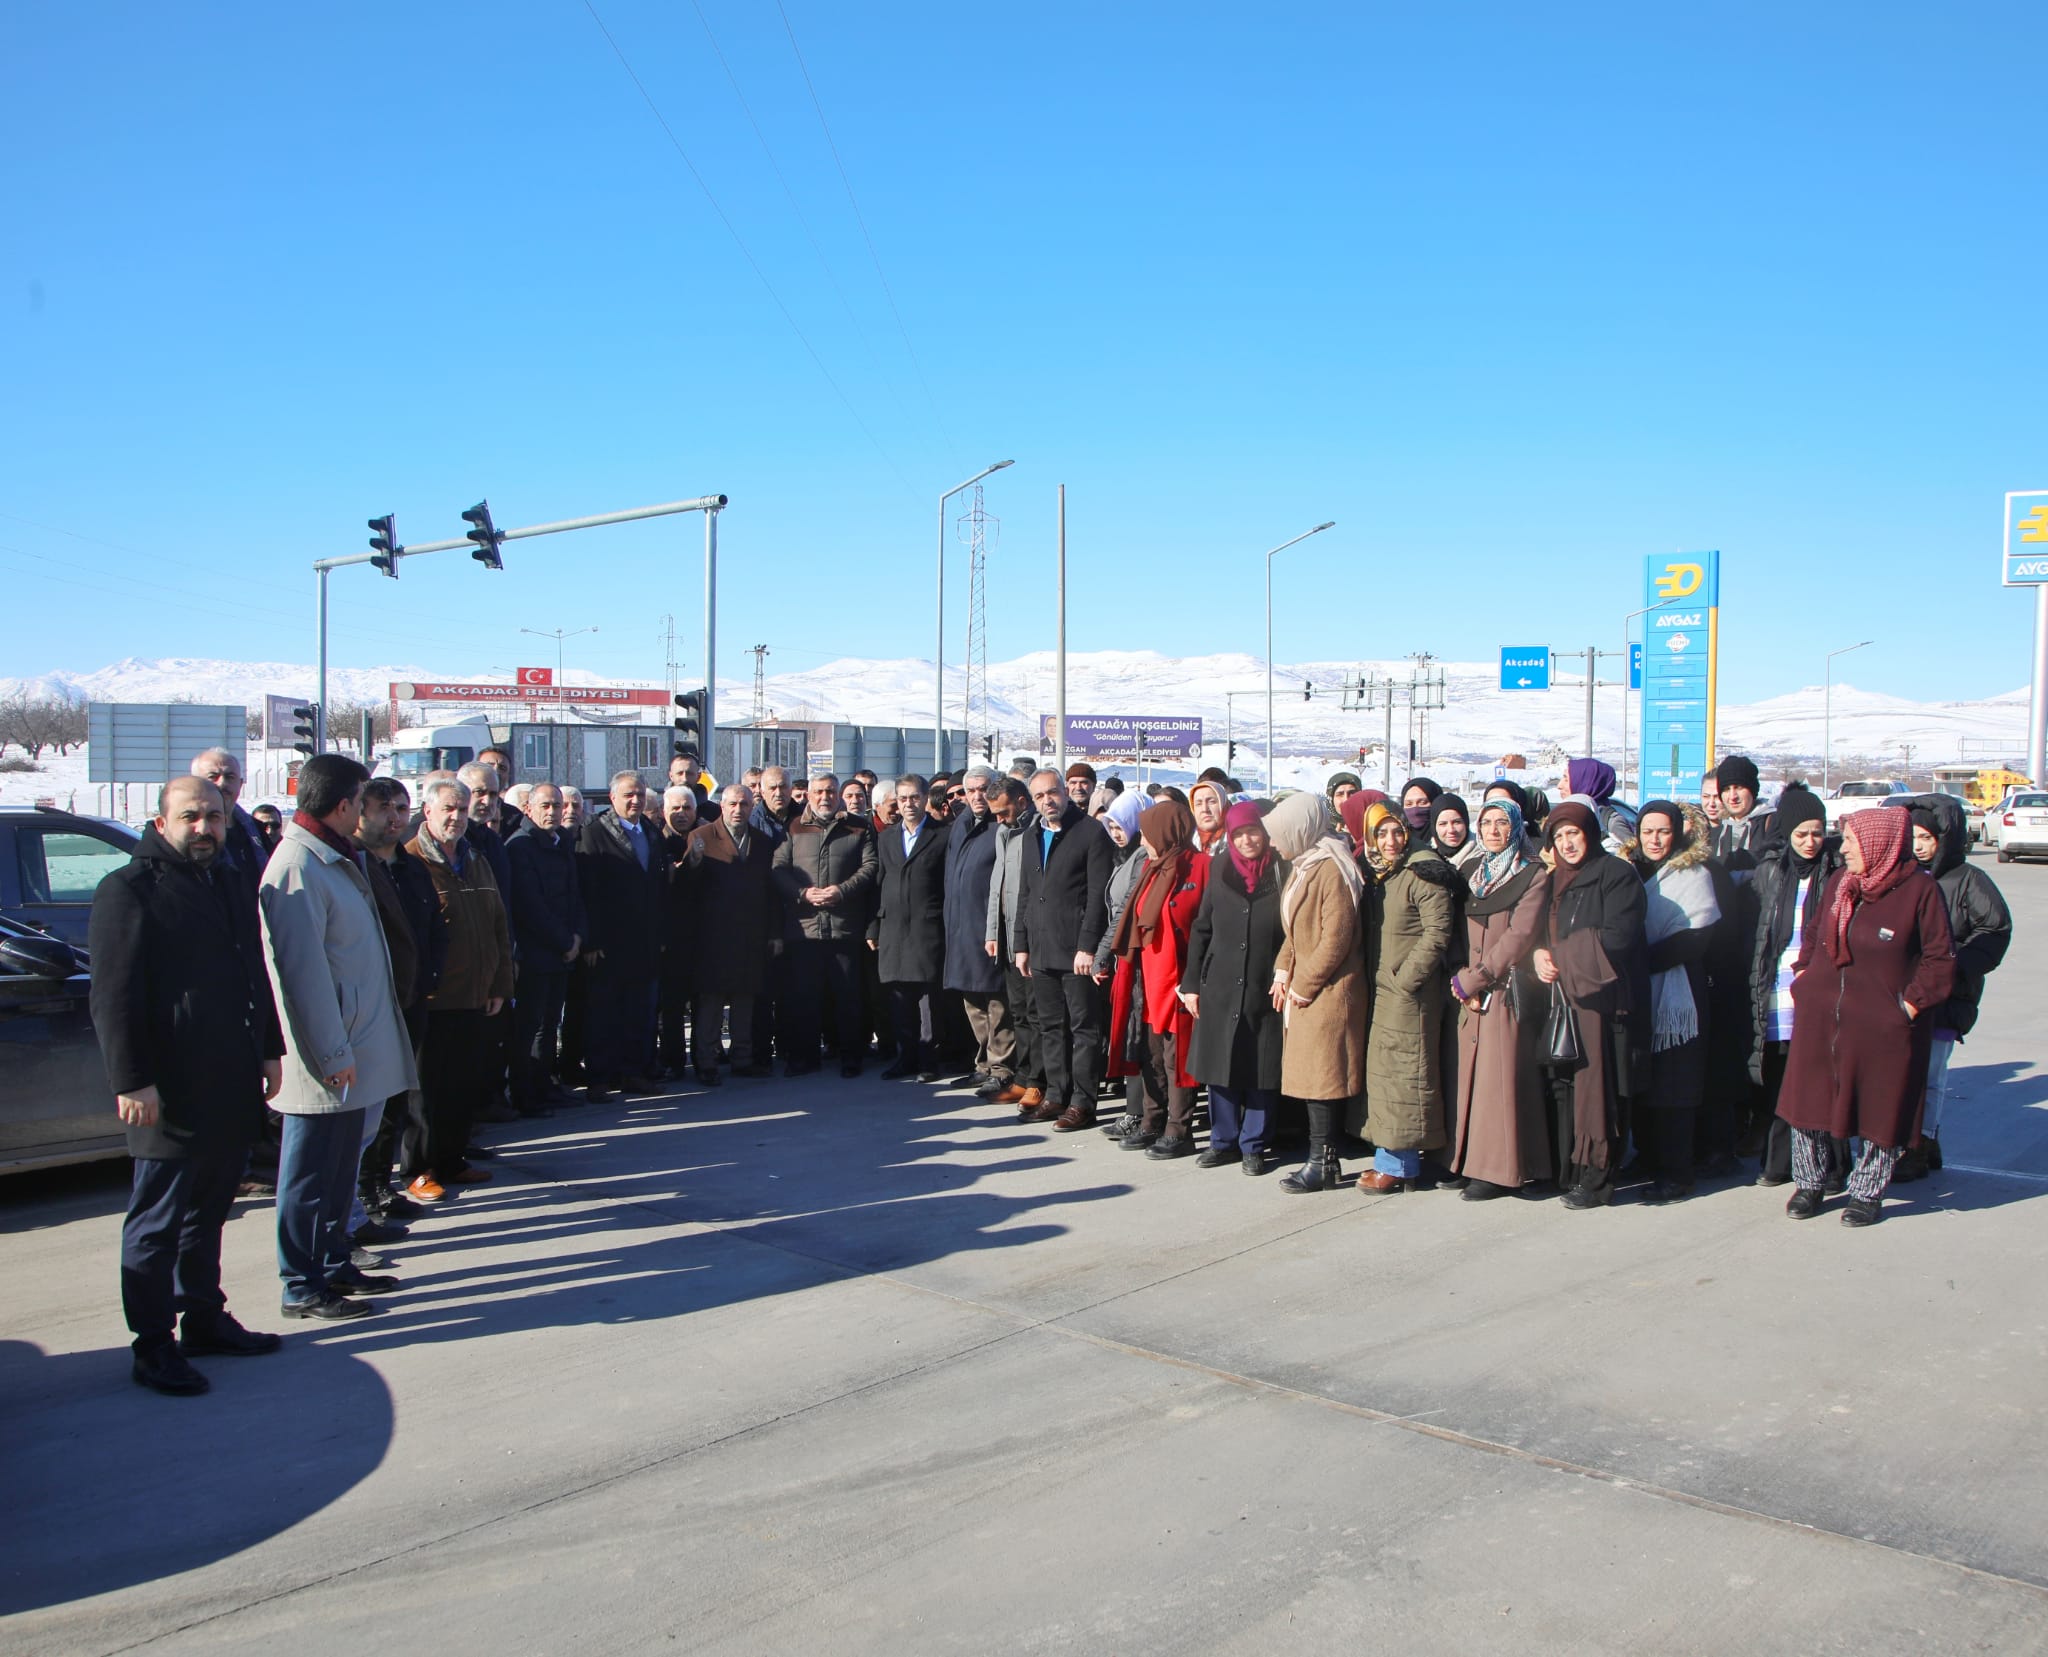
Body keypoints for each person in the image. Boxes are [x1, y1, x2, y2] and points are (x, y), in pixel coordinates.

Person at [91, 777, 287, 1394]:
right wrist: (133, 1080)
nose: (204, 827)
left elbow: (252, 971)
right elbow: (113, 998)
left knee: (209, 1214)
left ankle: (203, 1317)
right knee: (157, 1225)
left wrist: (270, 1049)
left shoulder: (226, 878)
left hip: (228, 1078)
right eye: (190, 817)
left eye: (214, 817)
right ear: (160, 821)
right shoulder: (127, 890)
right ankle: (153, 1346)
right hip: (168, 1091)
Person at [259, 754, 413, 1318]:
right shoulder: (298, 865)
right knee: (308, 1176)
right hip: (327, 1058)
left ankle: (332, 1261)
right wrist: (331, 1051)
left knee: (339, 1171)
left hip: (352, 1051)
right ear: (345, 804)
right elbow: (301, 976)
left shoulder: (334, 857)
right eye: (363, 803)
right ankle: (301, 1283)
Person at [1777, 809, 1955, 1225]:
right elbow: (1813, 931)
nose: (1844, 850)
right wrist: (1806, 973)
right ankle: (1809, 1183)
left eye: (1853, 842)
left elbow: (1939, 958)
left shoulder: (1919, 891)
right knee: (1809, 1099)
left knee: (1881, 1107)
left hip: (1883, 1023)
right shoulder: (1842, 883)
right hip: (1822, 1013)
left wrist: (1908, 1006)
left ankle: (1868, 1192)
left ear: (1879, 845)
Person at [1889, 793, 2012, 1181]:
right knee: (1901, 1070)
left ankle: (1920, 1144)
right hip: (1901, 991)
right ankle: (1917, 1136)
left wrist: (1954, 966)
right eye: (1913, 837)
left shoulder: (1968, 879)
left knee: (1931, 1073)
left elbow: (1994, 929)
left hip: (1946, 993)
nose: (1919, 846)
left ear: (1944, 838)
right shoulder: (1901, 876)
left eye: (1926, 838)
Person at [1532, 800, 1648, 1210]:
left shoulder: (1617, 875)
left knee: (1602, 1091)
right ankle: (1570, 1172)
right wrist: (1538, 954)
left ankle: (1599, 1178)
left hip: (1605, 1004)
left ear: (1590, 833)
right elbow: (1538, 932)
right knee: (1566, 1088)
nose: (1566, 843)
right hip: (1564, 1001)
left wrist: (1560, 956)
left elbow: (1618, 936)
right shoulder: (1553, 881)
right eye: (1558, 836)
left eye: (1573, 833)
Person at [401, 776, 513, 1200]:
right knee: (424, 1090)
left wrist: (500, 983)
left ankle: (451, 1158)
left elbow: (498, 925)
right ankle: (419, 1168)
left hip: (475, 994)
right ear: (426, 811)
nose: (456, 817)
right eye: (448, 808)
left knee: (461, 1084)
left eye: (462, 809)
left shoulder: (476, 859)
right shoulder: (413, 861)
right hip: (432, 998)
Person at [1446, 796, 1553, 1200]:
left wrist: (1478, 979)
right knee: (1470, 1078)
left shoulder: (1532, 874)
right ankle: (1466, 1160)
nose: (1493, 830)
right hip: (1469, 990)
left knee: (1501, 1080)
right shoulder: (1472, 871)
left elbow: (1520, 936)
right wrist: (1461, 977)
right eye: (1486, 822)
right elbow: (1455, 930)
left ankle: (1500, 1168)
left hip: (1504, 988)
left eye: (1501, 824)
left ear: (1516, 828)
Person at [1262, 792, 1367, 1193]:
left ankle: (1323, 1161)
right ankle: (1322, 1158)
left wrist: (1304, 986)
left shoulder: (1331, 870)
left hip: (1329, 990)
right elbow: (1295, 929)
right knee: (1312, 1076)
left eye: (1278, 834)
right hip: (1307, 985)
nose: (1272, 843)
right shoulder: (1305, 864)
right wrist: (1282, 968)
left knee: (1322, 1079)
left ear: (1299, 829)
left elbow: (1335, 939)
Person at [1354, 801, 1457, 1193]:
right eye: (1381, 833)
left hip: (1407, 994)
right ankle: (1393, 1161)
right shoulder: (1384, 874)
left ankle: (1399, 1166)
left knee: (1404, 1079)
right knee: (1387, 1077)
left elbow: (1437, 933)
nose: (1391, 840)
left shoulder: (1421, 872)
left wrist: (1405, 979)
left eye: (1397, 831)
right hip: (1386, 989)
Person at [1745, 785, 1844, 1186]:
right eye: (1801, 834)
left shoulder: (1837, 871)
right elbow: (1758, 934)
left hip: (1818, 986)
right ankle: (1779, 1160)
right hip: (1777, 987)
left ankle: (1832, 1166)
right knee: (1780, 1073)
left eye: (1817, 833)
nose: (1810, 842)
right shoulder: (1771, 871)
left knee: (1822, 1076)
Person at [1178, 801, 1285, 1173]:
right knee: (1220, 1063)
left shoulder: (1281, 870)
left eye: (1252, 832)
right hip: (1220, 982)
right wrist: (1192, 983)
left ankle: (1254, 1144)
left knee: (1261, 1066)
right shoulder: (1220, 868)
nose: (1247, 840)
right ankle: (1222, 1140)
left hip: (1265, 984)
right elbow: (1202, 928)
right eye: (1238, 834)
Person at [1624, 803, 1721, 1204]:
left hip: (1678, 991)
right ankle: (1648, 1157)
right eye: (1648, 831)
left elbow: (1696, 938)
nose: (1655, 839)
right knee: (1641, 1079)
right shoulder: (1628, 871)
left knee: (1674, 1085)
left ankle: (1677, 1172)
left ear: (1677, 833)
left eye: (1663, 831)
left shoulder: (1694, 874)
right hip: (1635, 989)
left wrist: (1638, 959)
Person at [1013, 768, 1114, 1129]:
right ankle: (1056, 1094)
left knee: (1084, 1028)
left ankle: (1083, 1102)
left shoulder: (1090, 833)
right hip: (1040, 949)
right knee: (1050, 1026)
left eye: (1053, 793)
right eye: (1039, 796)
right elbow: (1026, 893)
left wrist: (1088, 947)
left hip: (1076, 951)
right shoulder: (1031, 836)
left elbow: (1097, 896)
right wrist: (1021, 945)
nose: (1047, 801)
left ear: (1066, 792)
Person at [774, 772, 879, 1078]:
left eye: (831, 791)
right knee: (804, 997)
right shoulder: (793, 827)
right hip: (804, 929)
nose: (825, 797)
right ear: (809, 795)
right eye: (819, 792)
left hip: (844, 927)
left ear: (839, 795)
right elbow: (778, 869)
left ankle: (851, 1057)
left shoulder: (858, 828)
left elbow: (870, 866)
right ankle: (804, 1057)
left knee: (848, 997)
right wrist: (802, 893)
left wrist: (841, 891)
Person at [576, 771, 667, 1098]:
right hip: (608, 943)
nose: (635, 801)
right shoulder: (594, 833)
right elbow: (588, 890)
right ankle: (600, 1076)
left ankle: (635, 1072)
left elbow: (659, 886)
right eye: (628, 795)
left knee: (640, 1012)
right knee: (604, 1013)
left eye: (640, 795)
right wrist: (591, 940)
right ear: (612, 798)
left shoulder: (651, 833)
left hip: (644, 940)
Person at [686, 784, 785, 1083]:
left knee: (745, 1001)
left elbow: (771, 892)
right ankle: (706, 1062)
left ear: (752, 806)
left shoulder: (763, 841)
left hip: (751, 936)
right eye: (732, 804)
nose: (738, 810)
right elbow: (688, 891)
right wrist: (692, 864)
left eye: (744, 804)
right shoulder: (701, 837)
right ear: (721, 805)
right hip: (714, 938)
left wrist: (774, 933)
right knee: (712, 1004)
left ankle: (742, 1058)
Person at [505, 783, 586, 1117]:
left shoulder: (561, 842)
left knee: (551, 1022)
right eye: (545, 806)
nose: (553, 812)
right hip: (537, 951)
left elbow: (574, 894)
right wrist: (564, 941)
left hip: (563, 950)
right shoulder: (520, 846)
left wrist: (579, 935)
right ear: (528, 809)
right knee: (531, 1026)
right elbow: (530, 904)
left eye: (557, 805)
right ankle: (527, 1093)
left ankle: (545, 1084)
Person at [872, 773, 948, 1081]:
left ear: (926, 798)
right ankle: (906, 1058)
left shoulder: (942, 835)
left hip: (927, 926)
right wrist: (872, 927)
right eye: (902, 799)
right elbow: (879, 883)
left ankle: (928, 1059)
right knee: (899, 996)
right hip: (892, 928)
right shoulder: (887, 837)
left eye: (914, 797)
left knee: (926, 999)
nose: (908, 804)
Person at [943, 767, 1014, 1092]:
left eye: (982, 789)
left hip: (989, 929)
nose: (975, 796)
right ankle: (983, 1064)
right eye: (969, 790)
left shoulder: (1000, 826)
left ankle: (1002, 1069)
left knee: (997, 1001)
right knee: (973, 1000)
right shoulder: (961, 824)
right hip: (961, 927)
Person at [984, 777, 1046, 1114]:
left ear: (1022, 803)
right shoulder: (1003, 834)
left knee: (1036, 1015)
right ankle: (1023, 1076)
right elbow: (998, 886)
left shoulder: (1035, 833)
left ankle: (1038, 1081)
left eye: (1003, 812)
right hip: (1007, 938)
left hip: (1029, 940)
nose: (999, 819)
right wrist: (992, 931)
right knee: (1018, 1012)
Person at [1094, 790, 1153, 1135]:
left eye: (1120, 825)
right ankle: (1135, 1110)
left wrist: (1104, 951)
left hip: (1133, 956)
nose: (1115, 832)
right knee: (1129, 1032)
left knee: (1137, 1033)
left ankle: (1139, 1112)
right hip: (1123, 956)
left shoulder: (1143, 857)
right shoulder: (1124, 855)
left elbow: (1125, 913)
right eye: (1111, 825)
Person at [656, 786, 702, 1078]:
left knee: (701, 1003)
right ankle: (672, 1060)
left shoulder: (706, 839)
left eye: (687, 808)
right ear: (664, 811)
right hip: (669, 939)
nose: (681, 814)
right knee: (670, 1007)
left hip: (701, 936)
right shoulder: (655, 842)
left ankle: (701, 1059)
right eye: (675, 808)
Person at [190, 748, 268, 903]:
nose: (222, 783)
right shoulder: (190, 836)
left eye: (229, 777)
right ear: (195, 783)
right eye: (213, 776)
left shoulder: (258, 833)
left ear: (240, 784)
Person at [1710, 755, 1767, 869]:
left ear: (1752, 790)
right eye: (1726, 789)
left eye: (1739, 787)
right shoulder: (1717, 830)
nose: (1732, 796)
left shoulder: (1770, 826)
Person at [1430, 793, 1479, 875]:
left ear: (1466, 823)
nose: (1451, 830)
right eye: (1443, 824)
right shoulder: (1426, 856)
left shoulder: (1483, 857)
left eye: (1457, 822)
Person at [1188, 778, 1229, 856]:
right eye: (1198, 804)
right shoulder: (1189, 841)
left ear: (1223, 805)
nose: (1205, 809)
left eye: (1212, 802)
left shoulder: (1236, 840)